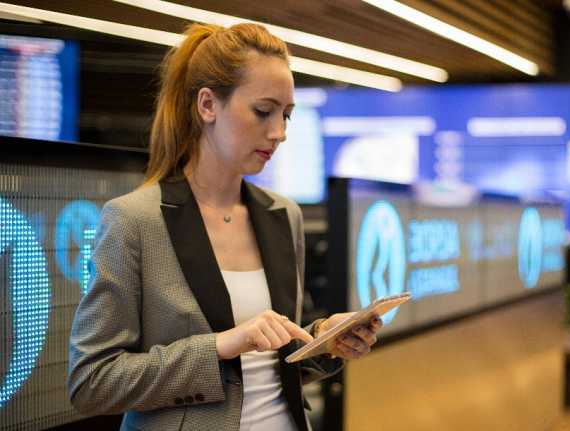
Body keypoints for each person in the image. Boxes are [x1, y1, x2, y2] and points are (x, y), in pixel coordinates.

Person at [68, 23, 382, 431]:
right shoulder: (133, 220)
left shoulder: (283, 215)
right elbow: (91, 382)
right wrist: (220, 345)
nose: (279, 133)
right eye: (263, 111)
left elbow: (272, 364)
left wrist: (322, 339)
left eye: (286, 115)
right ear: (207, 105)